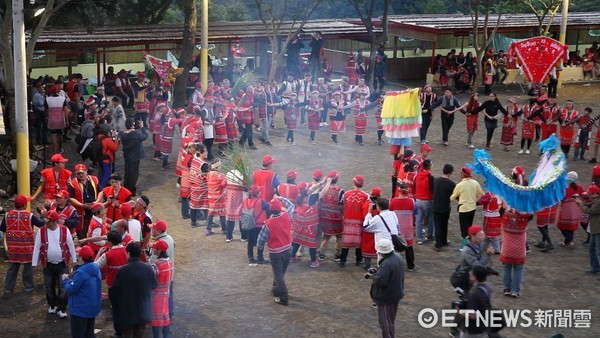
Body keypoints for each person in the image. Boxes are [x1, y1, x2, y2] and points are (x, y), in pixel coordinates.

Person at [32, 210, 77, 319]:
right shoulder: (41, 231)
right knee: (48, 286)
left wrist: (74, 260)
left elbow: (71, 246)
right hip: (48, 264)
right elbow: (37, 247)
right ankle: (52, 305)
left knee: (63, 286)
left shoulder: (65, 230)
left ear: (55, 221)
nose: (46, 223)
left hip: (63, 263)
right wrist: (34, 263)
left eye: (49, 221)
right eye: (46, 221)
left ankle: (62, 308)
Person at [112, 243, 158, 338]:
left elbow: (114, 291)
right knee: (139, 335)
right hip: (143, 311)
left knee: (127, 334)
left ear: (128, 253)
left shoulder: (122, 270)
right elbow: (154, 285)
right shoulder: (148, 268)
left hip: (127, 312)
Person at [1, 194, 44, 294]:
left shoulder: (7, 215)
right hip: (26, 247)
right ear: (24, 205)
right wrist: (43, 214)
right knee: (28, 268)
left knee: (12, 268)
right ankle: (28, 287)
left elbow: (3, 228)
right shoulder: (30, 216)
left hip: (13, 247)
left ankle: (8, 288)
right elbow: (42, 224)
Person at [257, 198, 295, 306]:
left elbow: (260, 240)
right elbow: (291, 205)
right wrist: (280, 198)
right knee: (281, 272)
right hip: (288, 249)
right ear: (280, 208)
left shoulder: (268, 223)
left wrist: (260, 249)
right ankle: (275, 289)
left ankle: (283, 297)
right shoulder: (287, 215)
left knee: (278, 274)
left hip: (276, 252)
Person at [61, 246, 102, 338]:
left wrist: (65, 280)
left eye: (78, 256)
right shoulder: (96, 268)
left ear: (81, 258)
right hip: (92, 308)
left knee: (78, 334)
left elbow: (71, 289)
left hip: (80, 310)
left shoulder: (81, 273)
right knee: (89, 333)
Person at [367, 239, 404, 338]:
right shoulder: (397, 257)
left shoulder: (387, 264)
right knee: (390, 319)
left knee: (385, 323)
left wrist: (374, 276)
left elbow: (382, 282)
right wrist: (378, 272)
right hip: (396, 292)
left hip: (386, 296)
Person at [499, 207, 531, 298]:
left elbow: (500, 212)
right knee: (518, 268)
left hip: (507, 245)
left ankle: (506, 288)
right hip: (520, 245)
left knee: (507, 267)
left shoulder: (505, 212)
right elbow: (530, 215)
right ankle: (515, 291)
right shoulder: (525, 213)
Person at [450, 167, 484, 250]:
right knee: (469, 226)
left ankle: (465, 246)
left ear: (462, 174)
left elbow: (452, 198)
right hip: (472, 207)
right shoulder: (475, 183)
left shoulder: (460, 185)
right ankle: (470, 244)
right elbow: (482, 195)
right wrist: (475, 200)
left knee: (463, 228)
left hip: (464, 208)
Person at [340, 175, 370, 267]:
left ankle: (343, 260)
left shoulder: (346, 194)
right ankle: (358, 260)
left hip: (347, 221)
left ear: (353, 183)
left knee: (346, 241)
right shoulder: (366, 196)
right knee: (358, 242)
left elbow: (342, 206)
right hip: (359, 221)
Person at [318, 170, 344, 261]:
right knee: (339, 236)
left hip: (325, 215)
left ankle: (321, 254)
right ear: (337, 180)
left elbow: (320, 201)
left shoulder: (324, 189)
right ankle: (337, 255)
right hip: (336, 217)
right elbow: (342, 205)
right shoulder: (340, 191)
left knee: (326, 235)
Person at [149, 240, 174, 338]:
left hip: (156, 295)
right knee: (165, 316)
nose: (153, 249)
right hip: (166, 293)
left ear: (159, 251)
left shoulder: (157, 264)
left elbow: (150, 278)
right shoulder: (169, 262)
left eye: (154, 248)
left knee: (156, 319)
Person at [460, 266, 493, 338]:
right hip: (483, 326)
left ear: (474, 277)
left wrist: (460, 311)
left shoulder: (474, 294)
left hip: (472, 331)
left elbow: (473, 316)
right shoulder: (488, 288)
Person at [575, 185, 600, 276]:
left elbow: (590, 211)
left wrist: (580, 204)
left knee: (598, 251)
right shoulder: (596, 200)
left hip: (597, 229)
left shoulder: (598, 202)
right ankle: (595, 268)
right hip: (595, 228)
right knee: (592, 249)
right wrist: (580, 202)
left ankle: (596, 268)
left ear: (593, 194)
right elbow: (588, 205)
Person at [120, 118, 148, 196]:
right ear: (132, 125)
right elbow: (145, 136)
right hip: (135, 156)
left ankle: (126, 189)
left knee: (127, 173)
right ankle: (131, 191)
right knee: (134, 174)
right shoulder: (134, 134)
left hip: (127, 156)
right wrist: (142, 127)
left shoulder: (123, 134)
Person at [244, 185, 270, 265]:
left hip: (249, 224)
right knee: (260, 242)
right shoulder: (261, 201)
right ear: (257, 193)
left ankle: (251, 258)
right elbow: (269, 208)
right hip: (259, 225)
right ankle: (260, 257)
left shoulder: (246, 201)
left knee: (250, 242)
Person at [557, 171, 584, 248]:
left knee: (562, 225)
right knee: (571, 225)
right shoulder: (580, 187)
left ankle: (569, 239)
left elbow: (562, 198)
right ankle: (568, 240)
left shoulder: (565, 188)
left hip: (566, 209)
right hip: (576, 209)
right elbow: (584, 195)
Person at [433, 164, 456, 251]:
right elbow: (455, 195)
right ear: (450, 173)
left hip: (435, 206)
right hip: (445, 207)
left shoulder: (436, 180)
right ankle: (443, 241)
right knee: (444, 224)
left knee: (437, 225)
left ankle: (438, 244)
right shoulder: (451, 184)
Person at [414, 159, 435, 244]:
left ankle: (419, 238)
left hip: (418, 200)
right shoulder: (430, 177)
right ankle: (430, 235)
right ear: (429, 167)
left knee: (418, 220)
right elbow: (433, 190)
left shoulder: (418, 175)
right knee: (430, 219)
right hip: (428, 201)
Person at [206, 160, 228, 236]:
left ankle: (208, 229)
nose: (221, 167)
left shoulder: (208, 174)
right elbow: (224, 184)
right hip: (220, 197)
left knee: (211, 213)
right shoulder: (221, 175)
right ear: (217, 167)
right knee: (222, 213)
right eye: (220, 166)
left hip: (211, 196)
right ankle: (224, 229)